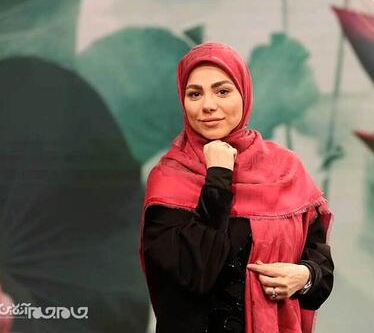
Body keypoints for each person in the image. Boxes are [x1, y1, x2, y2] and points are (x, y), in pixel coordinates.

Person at [138, 42, 333, 333]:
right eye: (195, 94)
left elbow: (321, 271)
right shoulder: (169, 178)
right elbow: (193, 275)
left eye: (222, 91)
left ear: (244, 93)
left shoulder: (285, 168)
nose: (208, 105)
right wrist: (218, 177)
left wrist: (305, 277)